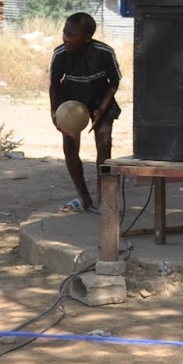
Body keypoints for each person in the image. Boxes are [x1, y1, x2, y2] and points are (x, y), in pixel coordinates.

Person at [48, 11, 122, 214]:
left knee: (104, 144)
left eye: (72, 35)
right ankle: (84, 198)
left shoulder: (104, 52)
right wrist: (55, 112)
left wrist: (102, 109)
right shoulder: (60, 54)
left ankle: (104, 197)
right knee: (70, 147)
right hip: (71, 102)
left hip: (100, 100)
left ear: (88, 37)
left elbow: (114, 82)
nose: (66, 38)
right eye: (64, 33)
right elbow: (54, 85)